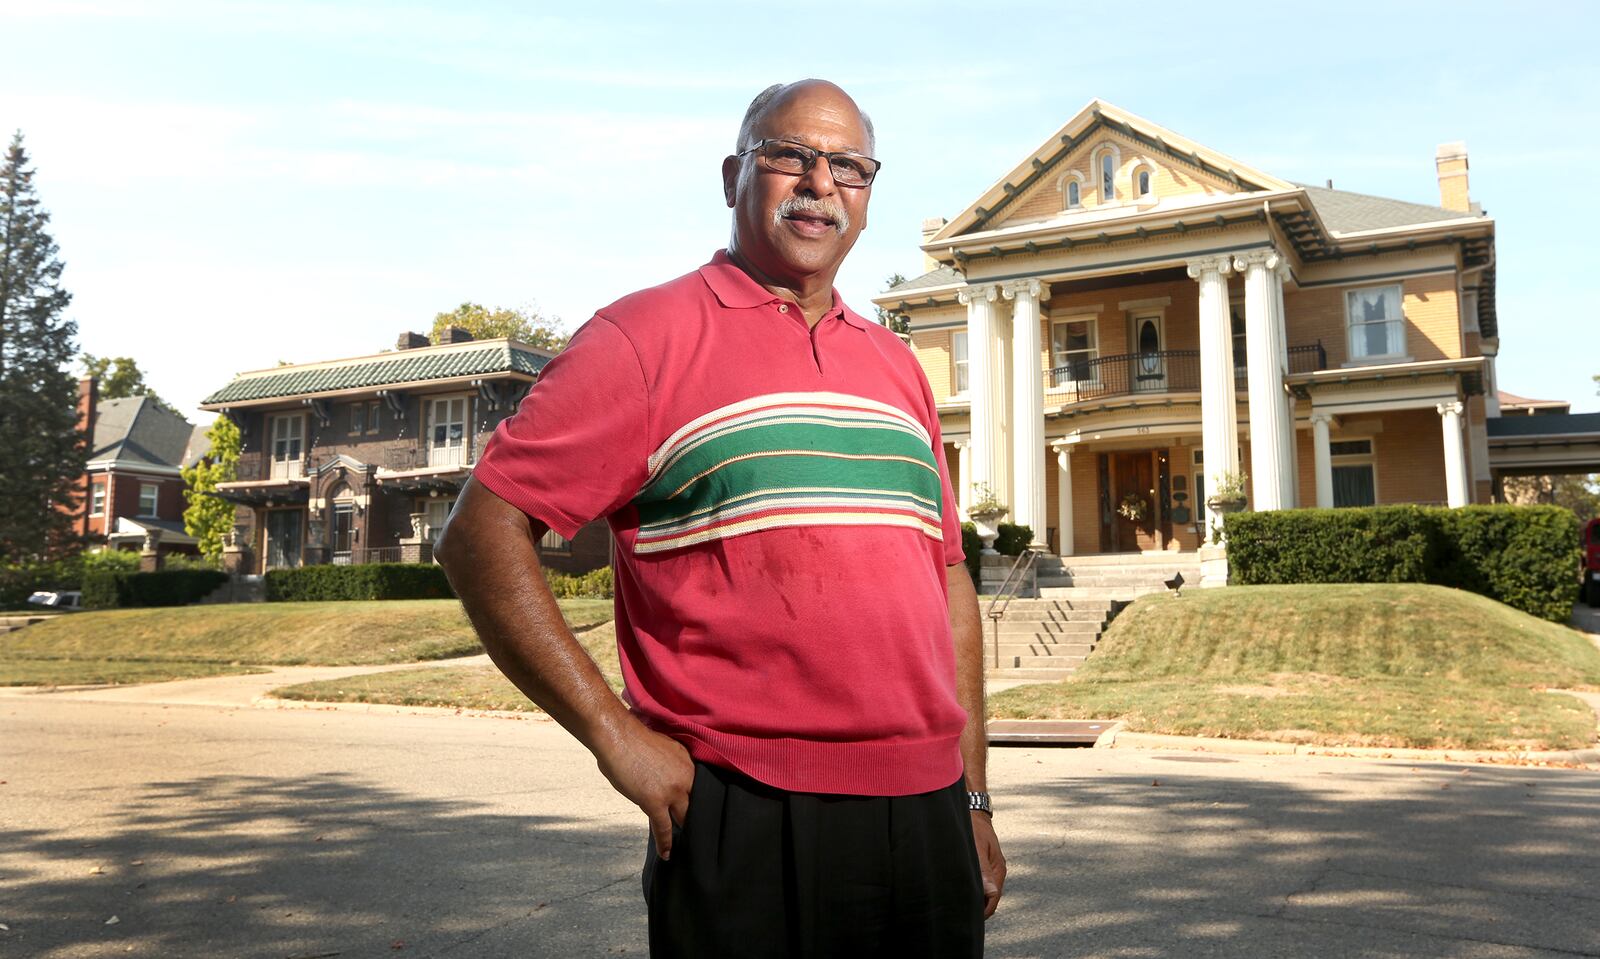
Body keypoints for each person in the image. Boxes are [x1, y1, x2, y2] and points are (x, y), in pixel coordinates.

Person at [434, 78, 1005, 958]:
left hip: (926, 815)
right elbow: (479, 532)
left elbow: (948, 579)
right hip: (749, 814)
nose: (820, 182)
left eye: (849, 165)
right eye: (790, 155)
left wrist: (972, 799)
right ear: (736, 173)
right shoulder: (642, 339)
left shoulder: (897, 367)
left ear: (867, 196)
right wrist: (612, 734)